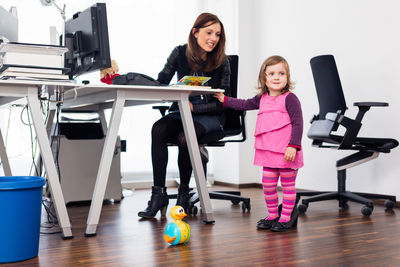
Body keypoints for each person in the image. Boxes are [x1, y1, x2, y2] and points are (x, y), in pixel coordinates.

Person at [138, 13, 231, 219]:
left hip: (210, 115)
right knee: (158, 128)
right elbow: (160, 82)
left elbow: (223, 102)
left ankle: (183, 194)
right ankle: (158, 195)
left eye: (217, 34)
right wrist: (174, 91)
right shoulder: (179, 53)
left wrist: (194, 109)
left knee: (185, 136)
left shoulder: (222, 61)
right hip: (181, 111)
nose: (213, 38)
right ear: (195, 32)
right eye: (209, 32)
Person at [214, 55, 303, 232]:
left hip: (286, 152)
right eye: (272, 73)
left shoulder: (290, 99)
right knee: (269, 185)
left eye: (281, 73)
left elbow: (298, 123)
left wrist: (293, 145)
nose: (277, 77)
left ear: (287, 77)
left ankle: (286, 218)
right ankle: (273, 215)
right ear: (264, 78)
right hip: (268, 153)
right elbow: (244, 104)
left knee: (287, 186)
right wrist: (225, 100)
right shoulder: (261, 98)